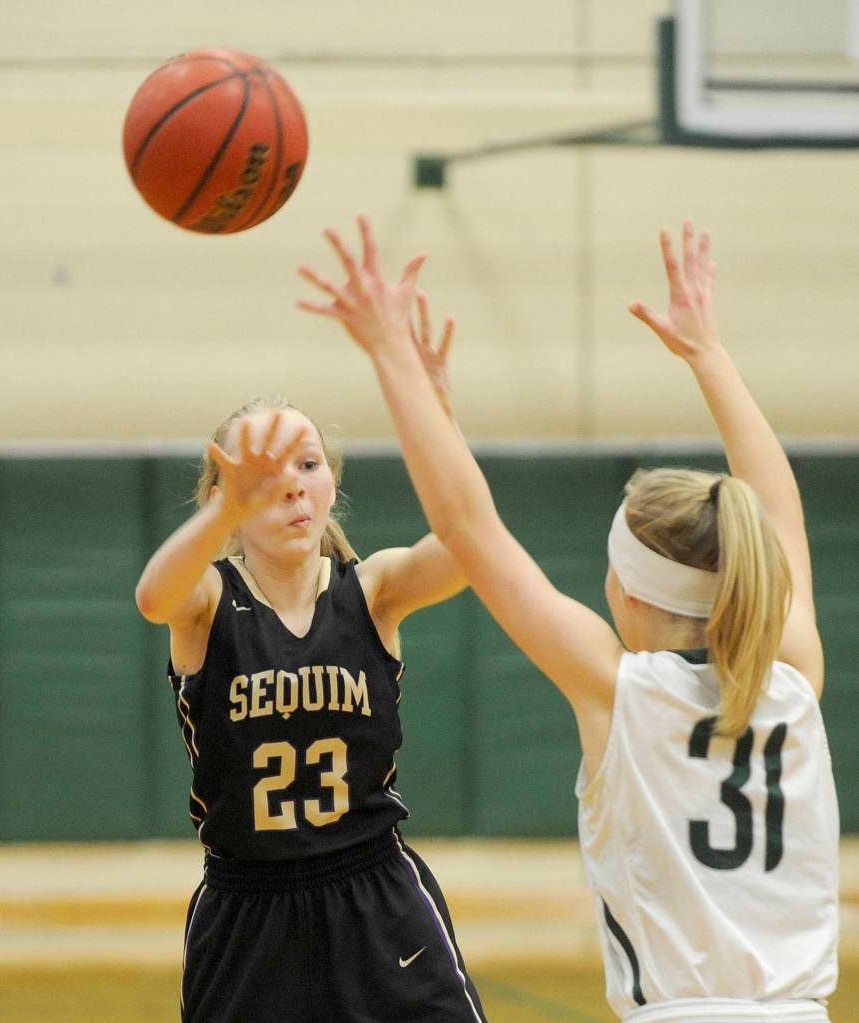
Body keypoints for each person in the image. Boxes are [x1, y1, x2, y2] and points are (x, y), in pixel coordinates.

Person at [298, 216, 839, 1022]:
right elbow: (779, 514)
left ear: (632, 596)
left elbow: (467, 528)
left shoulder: (615, 686)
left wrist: (391, 354)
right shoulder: (792, 676)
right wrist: (709, 355)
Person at [135, 344, 488, 1019]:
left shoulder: (373, 589)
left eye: (309, 463)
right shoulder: (208, 600)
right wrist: (221, 514)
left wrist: (440, 419)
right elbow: (154, 597)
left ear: (330, 480)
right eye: (267, 475)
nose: (295, 485)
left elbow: (471, 544)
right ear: (224, 495)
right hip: (246, 910)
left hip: (375, 892)